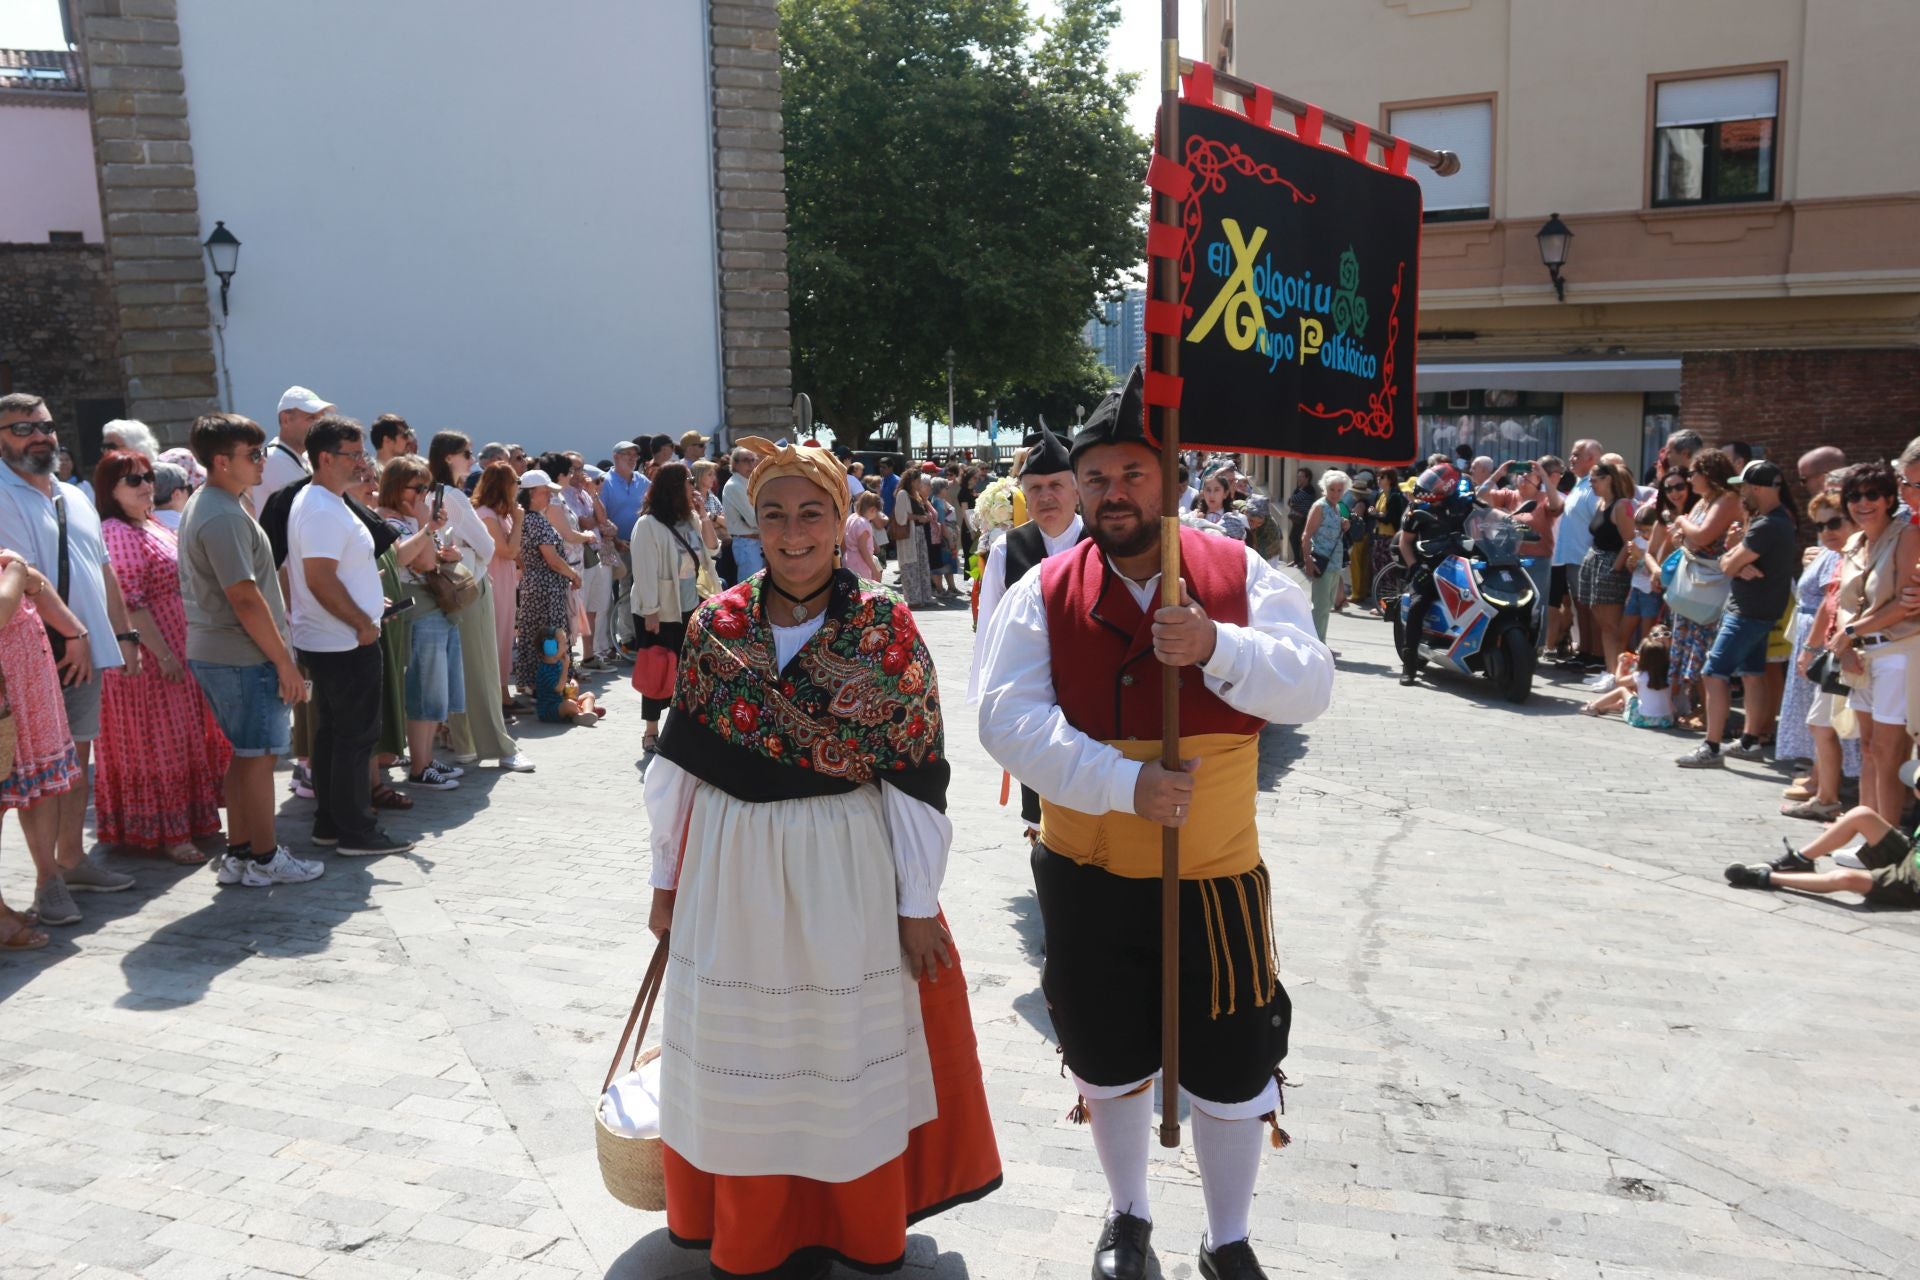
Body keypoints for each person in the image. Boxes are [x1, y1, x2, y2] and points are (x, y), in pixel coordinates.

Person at [976, 368, 1332, 1280]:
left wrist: (1217, 646)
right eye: (1095, 479)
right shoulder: (1045, 588)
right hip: (1090, 868)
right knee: (1104, 1045)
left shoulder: (1239, 572)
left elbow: (1310, 682)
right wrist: (1118, 783)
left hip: (1214, 870)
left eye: (1131, 474)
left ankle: (1227, 1236)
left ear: (1170, 479)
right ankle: (1127, 1216)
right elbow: (1004, 717)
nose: (1112, 494)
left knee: (1230, 1053)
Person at [644, 436, 1001, 1278]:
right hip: (730, 871)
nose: (793, 532)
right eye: (774, 515)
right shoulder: (716, 626)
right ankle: (754, 1230)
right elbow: (678, 772)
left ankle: (855, 1224)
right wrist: (666, 882)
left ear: (843, 521)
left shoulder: (886, 627)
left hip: (845, 866)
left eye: (812, 513)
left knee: (837, 1048)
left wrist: (918, 905)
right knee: (751, 1056)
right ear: (749, 524)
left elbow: (917, 777)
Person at [0, 392, 139, 920]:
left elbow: (102, 570)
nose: (39, 436)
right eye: (21, 429)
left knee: (75, 763)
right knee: (37, 772)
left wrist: (123, 638)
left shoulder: (75, 494)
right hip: (33, 653)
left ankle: (72, 858)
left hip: (82, 648)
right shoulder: (1, 492)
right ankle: (47, 880)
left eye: (45, 426)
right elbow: (25, 581)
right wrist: (75, 634)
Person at [177, 413, 324, 887]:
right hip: (241, 655)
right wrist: (284, 662)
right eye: (253, 454)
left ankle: (241, 853)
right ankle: (264, 857)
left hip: (227, 652)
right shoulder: (219, 513)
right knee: (260, 757)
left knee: (246, 756)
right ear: (221, 461)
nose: (263, 461)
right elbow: (243, 596)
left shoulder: (217, 503)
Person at [92, 449, 233, 862]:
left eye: (148, 477)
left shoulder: (149, 523)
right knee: (158, 744)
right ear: (110, 490)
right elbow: (131, 602)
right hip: (149, 656)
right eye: (133, 480)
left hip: (176, 647)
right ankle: (170, 833)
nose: (146, 486)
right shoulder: (117, 532)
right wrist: (165, 655)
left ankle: (186, 822)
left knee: (183, 737)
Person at [287, 416, 419, 856]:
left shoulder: (325, 501)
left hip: (338, 636)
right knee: (354, 739)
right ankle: (355, 831)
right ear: (326, 458)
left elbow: (337, 572)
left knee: (336, 736)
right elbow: (320, 579)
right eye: (353, 454)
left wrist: (367, 606)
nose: (362, 462)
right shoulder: (322, 508)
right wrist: (361, 622)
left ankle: (331, 824)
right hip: (344, 641)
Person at [1677, 459, 1803, 770]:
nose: (1741, 492)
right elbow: (1732, 562)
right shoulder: (1775, 521)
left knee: (1713, 673)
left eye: (1744, 486)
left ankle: (1712, 746)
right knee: (1752, 673)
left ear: (1756, 488)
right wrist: (1734, 555)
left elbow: (1728, 564)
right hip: (1760, 610)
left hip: (1747, 611)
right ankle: (1749, 742)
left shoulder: (1767, 524)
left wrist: (1732, 555)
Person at [426, 434, 534, 773]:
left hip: (446, 588)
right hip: (469, 586)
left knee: (460, 669)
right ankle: (498, 746)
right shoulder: (453, 495)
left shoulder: (432, 493)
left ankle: (466, 745)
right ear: (448, 458)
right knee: (483, 669)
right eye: (466, 453)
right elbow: (487, 547)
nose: (472, 460)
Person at [1821, 460, 1919, 822]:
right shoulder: (1853, 543)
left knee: (1887, 750)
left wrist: (1848, 635)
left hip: (1897, 651)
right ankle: (1866, 834)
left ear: (1890, 498)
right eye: (1854, 496)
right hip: (1862, 653)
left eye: (1873, 495)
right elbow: (1846, 603)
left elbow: (1905, 606)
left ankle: (1887, 840)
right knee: (1866, 748)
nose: (1863, 503)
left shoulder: (1907, 535)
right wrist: (1848, 647)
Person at [0, 545, 88, 947]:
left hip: (26, 694)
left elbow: (39, 586)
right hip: (8, 696)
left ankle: (42, 883)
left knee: (37, 788)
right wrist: (18, 572)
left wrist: (75, 633)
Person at [375, 456, 468, 791]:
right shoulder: (388, 520)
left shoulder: (411, 520)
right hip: (418, 612)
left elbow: (431, 557)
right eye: (419, 488)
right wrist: (428, 528)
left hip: (433, 611)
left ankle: (425, 759)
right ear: (398, 488)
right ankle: (419, 766)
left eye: (428, 487)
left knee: (436, 691)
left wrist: (435, 538)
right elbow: (413, 558)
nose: (426, 495)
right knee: (425, 692)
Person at [1725, 758, 1920, 906]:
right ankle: (1797, 861)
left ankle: (1762, 877)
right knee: (1862, 814)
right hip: (1912, 856)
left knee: (1845, 879)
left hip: (1914, 883)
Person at [1777, 490, 1857, 820]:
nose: (1826, 533)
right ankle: (1826, 796)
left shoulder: (1857, 555)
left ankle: (1854, 804)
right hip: (1832, 650)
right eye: (1821, 527)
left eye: (1834, 523)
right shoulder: (1840, 555)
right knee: (1821, 724)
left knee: (1863, 736)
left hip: (1854, 652)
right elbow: (1828, 603)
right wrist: (1811, 648)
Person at [629, 462, 717, 755]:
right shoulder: (648, 525)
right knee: (658, 667)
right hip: (661, 609)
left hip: (691, 604)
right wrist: (650, 611)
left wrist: (704, 516)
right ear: (674, 487)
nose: (694, 486)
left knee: (687, 670)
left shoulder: (690, 518)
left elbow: (713, 548)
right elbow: (643, 571)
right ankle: (651, 731)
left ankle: (682, 729)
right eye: (689, 481)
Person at [1665, 448, 1742, 727]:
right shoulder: (1703, 502)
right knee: (1689, 648)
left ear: (1708, 474)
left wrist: (1682, 521)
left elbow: (1703, 535)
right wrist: (1684, 534)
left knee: (1705, 649)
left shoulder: (1728, 499)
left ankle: (1710, 716)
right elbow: (1686, 540)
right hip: (1694, 586)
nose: (1689, 478)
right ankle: (1696, 706)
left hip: (1713, 586)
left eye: (1692, 473)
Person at [1396, 464, 1472, 686]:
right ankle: (1409, 666)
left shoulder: (1462, 503)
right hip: (1430, 565)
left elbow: (1486, 511)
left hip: (1461, 564)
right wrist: (1414, 567)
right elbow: (1405, 542)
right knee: (1418, 604)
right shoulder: (1417, 510)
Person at [510, 469, 579, 697]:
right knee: (551, 636)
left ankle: (536, 683)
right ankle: (550, 686)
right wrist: (573, 575)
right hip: (546, 589)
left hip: (535, 585)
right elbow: (552, 559)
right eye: (545, 492)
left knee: (534, 635)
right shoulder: (536, 522)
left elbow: (520, 555)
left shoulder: (526, 520)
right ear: (530, 493)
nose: (549, 496)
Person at [1575, 460, 1639, 679]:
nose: (1590, 485)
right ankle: (1610, 671)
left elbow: (1630, 541)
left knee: (1612, 626)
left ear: (1607, 479)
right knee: (1603, 624)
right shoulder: (1600, 503)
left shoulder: (1621, 505)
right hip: (1595, 563)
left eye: (1593, 480)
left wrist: (1615, 567)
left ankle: (1618, 674)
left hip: (1611, 568)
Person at [471, 461, 524, 717]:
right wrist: (519, 520)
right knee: (495, 638)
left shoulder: (497, 515)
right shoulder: (486, 515)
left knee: (503, 637)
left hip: (503, 581)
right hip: (492, 581)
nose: (518, 487)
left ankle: (503, 694)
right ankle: (494, 699)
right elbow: (508, 551)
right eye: (515, 482)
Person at [1551, 440, 1604, 671]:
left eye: (1576, 455)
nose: (1571, 459)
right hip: (1572, 558)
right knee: (1580, 608)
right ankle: (1585, 651)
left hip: (1585, 558)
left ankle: (1594, 655)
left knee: (1590, 609)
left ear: (1591, 458)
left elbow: (1599, 523)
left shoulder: (1593, 488)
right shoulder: (1581, 484)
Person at [250, 386, 334, 516]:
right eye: (311, 418)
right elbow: (317, 506)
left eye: (321, 418)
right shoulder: (273, 459)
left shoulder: (302, 456)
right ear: (286, 420)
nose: (319, 425)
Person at [1581, 628, 1675, 729]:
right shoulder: (1669, 674)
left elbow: (1619, 681)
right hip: (1666, 720)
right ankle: (1605, 707)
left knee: (1623, 690)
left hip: (1642, 719)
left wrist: (1621, 663)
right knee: (1635, 695)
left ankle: (1593, 707)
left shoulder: (1640, 675)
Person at [1299, 470, 1349, 643]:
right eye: (1332, 489)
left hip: (1334, 563)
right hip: (1321, 562)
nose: (1335, 493)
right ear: (1325, 488)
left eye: (1339, 490)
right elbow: (1306, 535)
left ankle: (1320, 642)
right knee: (1320, 607)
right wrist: (1308, 561)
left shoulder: (1336, 508)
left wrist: (1344, 524)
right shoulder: (1320, 506)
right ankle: (1315, 644)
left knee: (1326, 607)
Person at [892, 467, 935, 608]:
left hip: (919, 533)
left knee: (922, 565)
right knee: (910, 566)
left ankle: (924, 597)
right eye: (917, 481)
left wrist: (925, 517)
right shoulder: (903, 494)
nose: (919, 484)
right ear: (911, 481)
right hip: (910, 535)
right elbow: (901, 516)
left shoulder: (915, 494)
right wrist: (919, 517)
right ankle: (913, 598)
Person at [720, 445, 762, 584]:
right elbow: (754, 520)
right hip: (747, 544)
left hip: (757, 542)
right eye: (746, 460)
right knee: (749, 589)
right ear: (735, 464)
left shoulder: (749, 483)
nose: (751, 464)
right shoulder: (735, 485)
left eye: (753, 460)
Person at [843, 490, 884, 581]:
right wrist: (874, 569)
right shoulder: (863, 524)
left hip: (848, 561)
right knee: (863, 592)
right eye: (876, 512)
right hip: (860, 565)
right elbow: (863, 549)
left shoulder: (851, 518)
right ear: (872, 509)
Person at [1285, 467, 1316, 566]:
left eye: (1301, 476)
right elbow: (1289, 502)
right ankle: (1298, 560)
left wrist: (1294, 503)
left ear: (1307, 478)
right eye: (1298, 476)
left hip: (1303, 519)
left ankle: (1300, 561)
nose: (1298, 478)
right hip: (1297, 518)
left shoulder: (1308, 490)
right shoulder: (1300, 489)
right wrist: (1293, 502)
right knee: (1295, 538)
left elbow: (1293, 500)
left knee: (1297, 538)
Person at [150, 462, 192, 531]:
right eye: (188, 487)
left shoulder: (142, 524)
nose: (189, 492)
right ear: (177, 494)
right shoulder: (189, 528)